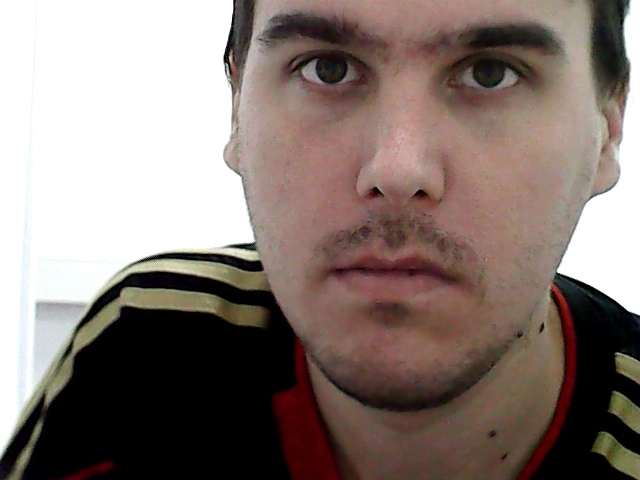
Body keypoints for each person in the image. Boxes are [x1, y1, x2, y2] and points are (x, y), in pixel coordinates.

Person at [1, 0, 638, 478]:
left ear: (608, 129)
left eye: (492, 73)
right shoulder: (146, 348)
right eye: (327, 69)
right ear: (236, 110)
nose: (398, 170)